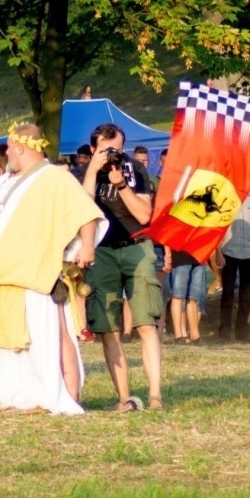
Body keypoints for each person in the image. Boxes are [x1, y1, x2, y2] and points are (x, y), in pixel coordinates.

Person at [0, 122, 105, 413]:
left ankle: (64, 394)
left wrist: (87, 246)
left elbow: (85, 212)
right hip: (7, 280)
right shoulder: (8, 181)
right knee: (11, 347)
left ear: (21, 147)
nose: (7, 152)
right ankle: (18, 395)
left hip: (39, 276)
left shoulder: (55, 178)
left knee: (50, 338)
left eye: (10, 147)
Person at [83, 123, 163, 411]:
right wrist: (93, 170)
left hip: (136, 248)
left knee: (145, 323)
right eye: (105, 150)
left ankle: (155, 396)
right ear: (93, 149)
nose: (112, 155)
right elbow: (83, 209)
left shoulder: (135, 170)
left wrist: (120, 184)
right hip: (102, 252)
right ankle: (124, 398)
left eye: (117, 148)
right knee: (108, 328)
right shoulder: (85, 172)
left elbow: (144, 216)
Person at [215, 186, 250, 340]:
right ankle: (224, 330)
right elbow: (217, 226)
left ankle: (242, 331)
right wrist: (218, 252)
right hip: (229, 251)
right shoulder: (225, 198)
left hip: (249, 252)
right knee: (228, 293)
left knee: (246, 294)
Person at [165, 243, 207, 345]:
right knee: (178, 296)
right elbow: (169, 234)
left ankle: (195, 336)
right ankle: (178, 336)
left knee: (193, 298)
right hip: (180, 256)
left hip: (199, 256)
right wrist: (168, 255)